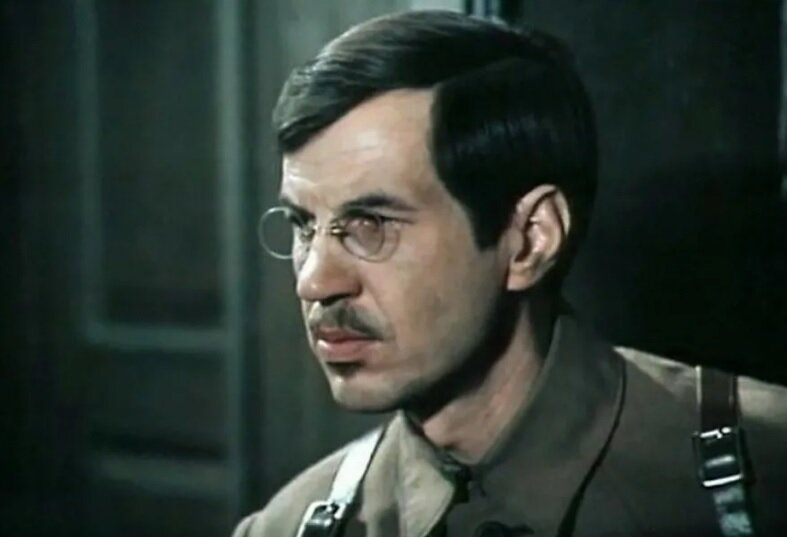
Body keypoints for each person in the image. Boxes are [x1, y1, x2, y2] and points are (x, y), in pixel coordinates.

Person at [234, 10, 787, 537]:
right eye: (303, 225)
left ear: (530, 240)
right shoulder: (288, 525)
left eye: (372, 225)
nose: (313, 283)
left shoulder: (767, 471)